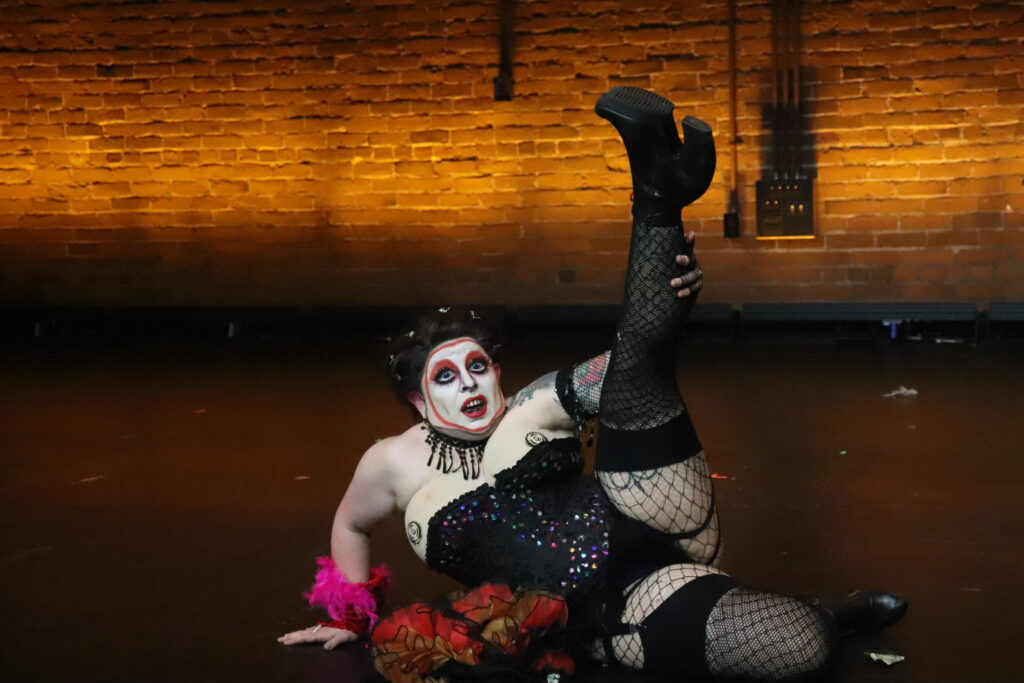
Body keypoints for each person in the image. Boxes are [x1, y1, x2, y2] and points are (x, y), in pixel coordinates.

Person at [279, 86, 907, 681]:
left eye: (478, 366)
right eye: (445, 377)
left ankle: (657, 196)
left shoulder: (529, 407)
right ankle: (834, 609)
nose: (468, 383)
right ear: (417, 398)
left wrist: (668, 310)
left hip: (654, 512)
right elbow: (352, 525)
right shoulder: (390, 462)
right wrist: (349, 617)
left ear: (497, 372)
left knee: (636, 359)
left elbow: (632, 365)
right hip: (619, 610)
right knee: (802, 647)